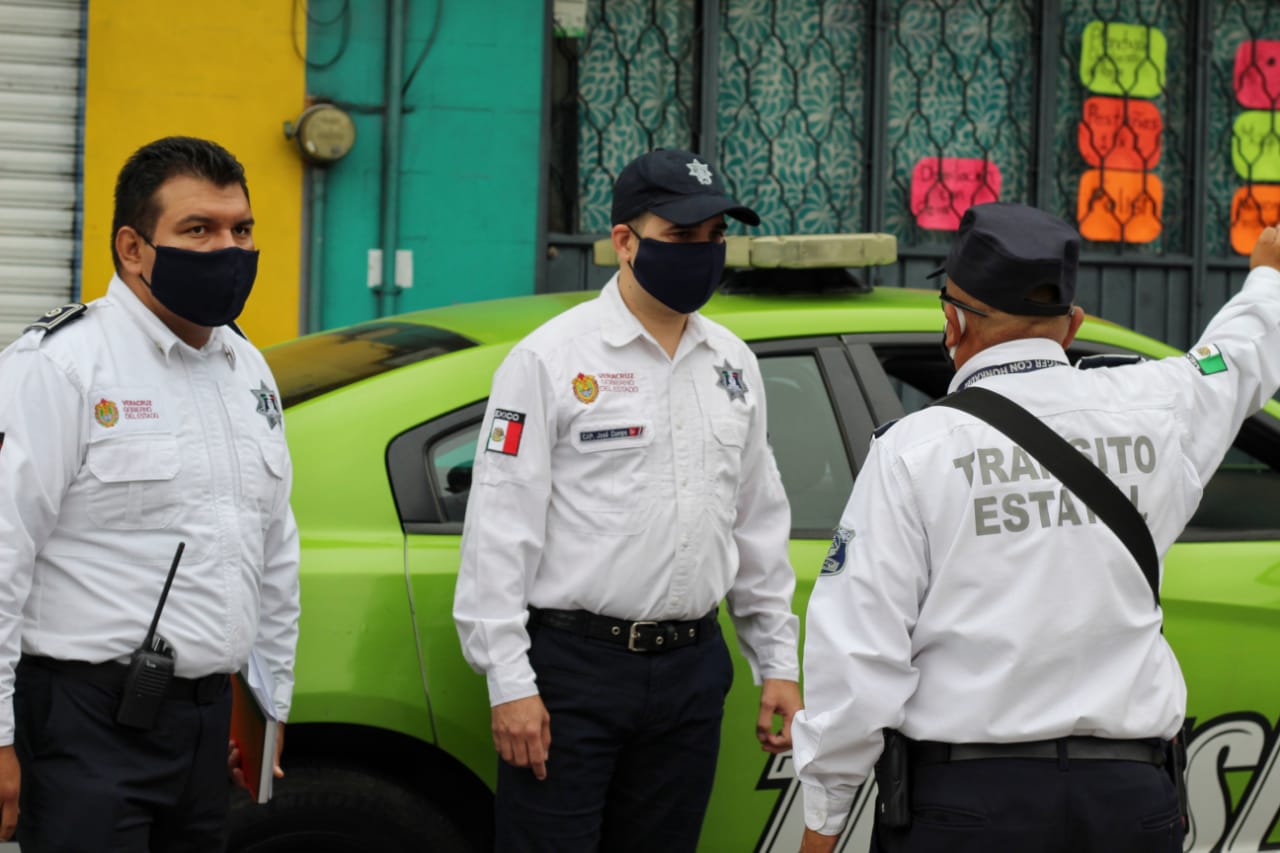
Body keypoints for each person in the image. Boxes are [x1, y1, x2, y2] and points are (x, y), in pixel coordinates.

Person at [792, 202, 1280, 853]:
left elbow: (857, 654)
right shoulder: (1162, 404)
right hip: (1130, 807)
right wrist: (1268, 275)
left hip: (966, 811)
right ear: (1073, 324)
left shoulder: (914, 450)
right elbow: (1238, 359)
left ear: (952, 320)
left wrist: (823, 820)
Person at [453, 148, 802, 851]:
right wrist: (509, 682)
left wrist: (779, 662)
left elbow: (757, 522)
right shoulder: (551, 359)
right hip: (574, 677)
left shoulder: (733, 362)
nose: (702, 253)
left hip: (692, 672)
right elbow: (499, 530)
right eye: (681, 237)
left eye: (713, 238)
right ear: (623, 242)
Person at [0, 136, 301, 851]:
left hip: (205, 731)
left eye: (242, 229)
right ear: (132, 248)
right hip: (84, 724)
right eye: (198, 229)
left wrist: (267, 708)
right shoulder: (63, 367)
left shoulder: (246, 365)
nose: (227, 248)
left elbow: (271, 549)